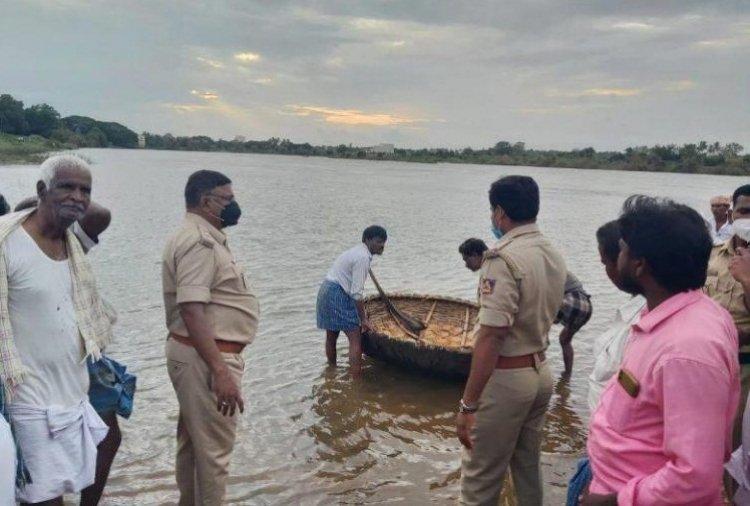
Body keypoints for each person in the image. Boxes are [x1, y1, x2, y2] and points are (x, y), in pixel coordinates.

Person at [582, 195, 739, 506]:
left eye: (623, 249)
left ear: (640, 265)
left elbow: (695, 477)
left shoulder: (687, 351)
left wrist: (616, 500)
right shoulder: (675, 315)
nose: (618, 255)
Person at [0, 154, 112, 504]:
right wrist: (35, 207)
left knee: (63, 490)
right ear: (41, 190)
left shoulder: (73, 241)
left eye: (85, 190)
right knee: (41, 498)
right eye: (66, 187)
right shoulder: (8, 241)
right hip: (28, 399)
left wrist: (58, 200)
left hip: (72, 395)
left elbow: (100, 215)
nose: (78, 197)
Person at [14, 194, 132, 506]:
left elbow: (100, 214)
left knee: (106, 435)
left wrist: (48, 196)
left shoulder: (63, 240)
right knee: (41, 459)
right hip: (33, 365)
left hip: (81, 355)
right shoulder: (13, 249)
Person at [456, 175, 566, 506]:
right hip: (540, 371)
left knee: (479, 480)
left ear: (500, 212)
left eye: (493, 212)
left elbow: (491, 335)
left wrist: (468, 404)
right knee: (526, 469)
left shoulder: (502, 258)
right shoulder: (551, 252)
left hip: (507, 377)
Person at [162, 169, 260, 506]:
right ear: (207, 202)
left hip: (200, 357)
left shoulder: (202, 236)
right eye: (228, 199)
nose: (234, 205)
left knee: (195, 449)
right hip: (207, 359)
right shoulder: (199, 242)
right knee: (215, 457)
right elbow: (192, 309)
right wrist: (220, 371)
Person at [565, 220, 646, 506]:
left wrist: (613, 498)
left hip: (618, 473)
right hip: (603, 455)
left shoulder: (647, 327)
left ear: (634, 262)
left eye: (606, 262)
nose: (607, 271)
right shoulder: (636, 310)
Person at [705, 184, 750, 496]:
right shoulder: (713, 256)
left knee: (737, 451)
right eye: (744, 211)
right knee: (702, 444)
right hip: (708, 366)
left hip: (744, 370)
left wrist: (747, 279)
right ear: (732, 213)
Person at [316, 226, 387, 378]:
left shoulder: (357, 252)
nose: (382, 245)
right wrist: (364, 320)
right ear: (367, 240)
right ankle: (356, 380)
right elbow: (356, 294)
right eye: (378, 242)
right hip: (338, 293)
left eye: (384, 242)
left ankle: (331, 371)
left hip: (326, 290)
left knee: (331, 335)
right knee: (355, 339)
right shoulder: (362, 257)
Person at [554, 272, 592, 376]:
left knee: (538, 324)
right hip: (586, 305)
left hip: (572, 299)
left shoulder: (546, 268)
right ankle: (567, 374)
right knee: (564, 340)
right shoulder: (559, 266)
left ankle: (536, 366)